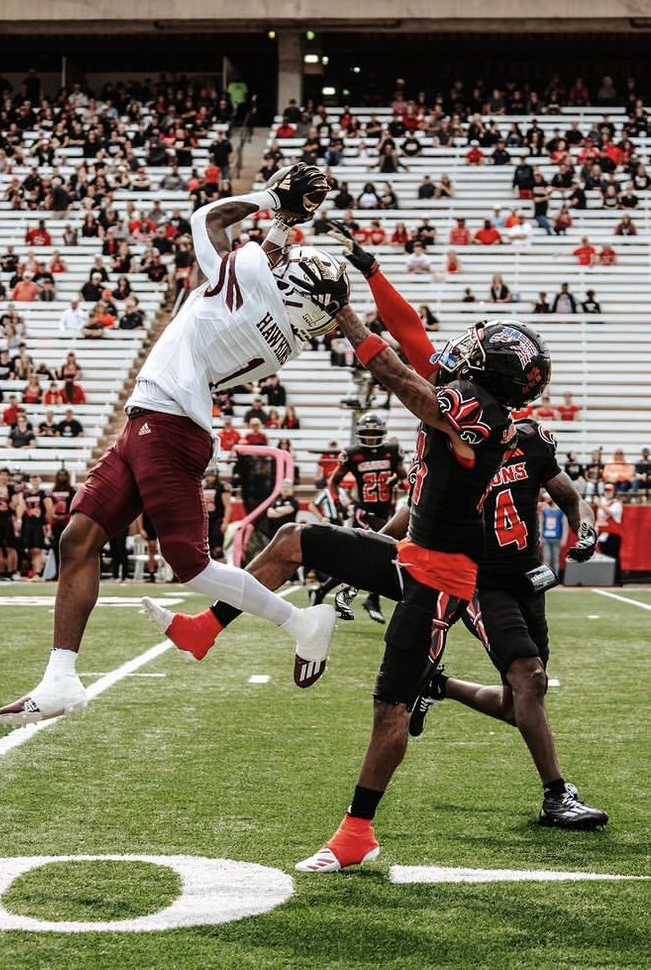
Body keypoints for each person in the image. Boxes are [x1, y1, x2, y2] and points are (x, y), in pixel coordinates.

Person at [151, 224, 553, 870]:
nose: (461, 350)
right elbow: (412, 333)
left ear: (494, 371)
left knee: (391, 702)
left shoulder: (486, 420)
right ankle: (207, 628)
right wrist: (365, 271)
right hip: (412, 556)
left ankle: (358, 832)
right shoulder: (476, 399)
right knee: (292, 540)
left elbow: (404, 378)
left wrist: (341, 313)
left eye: (479, 349)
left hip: (442, 577)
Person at [0, 164, 343, 726]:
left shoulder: (251, 286)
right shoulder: (283, 338)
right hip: (153, 421)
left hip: (168, 425)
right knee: (78, 536)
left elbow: (208, 219)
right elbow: (265, 274)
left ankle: (302, 624)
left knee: (191, 566)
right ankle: (60, 678)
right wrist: (280, 229)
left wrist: (270, 200)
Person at [407, 419, 607, 829]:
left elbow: (571, 500)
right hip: (480, 582)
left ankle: (436, 685)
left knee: (521, 706)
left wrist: (585, 531)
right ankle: (556, 795)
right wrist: (366, 551)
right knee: (528, 677)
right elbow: (412, 511)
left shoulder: (531, 440)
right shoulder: (453, 443)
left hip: (528, 580)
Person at [318, 413, 406, 623]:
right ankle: (373, 599)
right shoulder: (353, 454)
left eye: (375, 433)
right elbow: (333, 481)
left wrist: (398, 483)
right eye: (367, 433)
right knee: (387, 550)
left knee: (358, 561)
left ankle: (322, 590)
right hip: (364, 512)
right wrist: (339, 503)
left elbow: (404, 477)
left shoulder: (391, 452)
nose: (371, 438)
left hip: (385, 512)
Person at [0, 468, 22, 581]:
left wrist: (6, 496)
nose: (3, 477)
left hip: (8, 519)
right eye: (1, 475)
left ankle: (12, 571)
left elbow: (14, 505)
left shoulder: (12, 488)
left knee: (10, 547)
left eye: (5, 475)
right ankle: (1, 572)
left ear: (8, 477)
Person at [21, 476, 54, 579]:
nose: (34, 482)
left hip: (39, 525)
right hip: (28, 524)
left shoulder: (44, 494)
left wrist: (48, 524)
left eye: (36, 480)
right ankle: (34, 570)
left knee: (37, 549)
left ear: (40, 482)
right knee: (31, 550)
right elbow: (23, 508)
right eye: (33, 480)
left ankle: (38, 572)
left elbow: (49, 510)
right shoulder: (26, 494)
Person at [596, 483, 623, 586]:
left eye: (610, 490)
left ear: (613, 492)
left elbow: (611, 512)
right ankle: (606, 579)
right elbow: (600, 519)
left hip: (613, 534)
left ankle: (617, 580)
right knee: (604, 557)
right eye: (606, 490)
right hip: (602, 534)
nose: (608, 492)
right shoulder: (602, 502)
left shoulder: (617, 503)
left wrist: (599, 504)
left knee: (614, 557)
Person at [540, 493, 566, 576]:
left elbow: (565, 526)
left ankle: (556, 577)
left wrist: (564, 538)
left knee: (555, 559)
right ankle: (547, 578)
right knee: (547, 559)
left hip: (557, 537)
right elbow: (541, 524)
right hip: (546, 537)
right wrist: (540, 537)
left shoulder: (561, 511)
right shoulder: (544, 510)